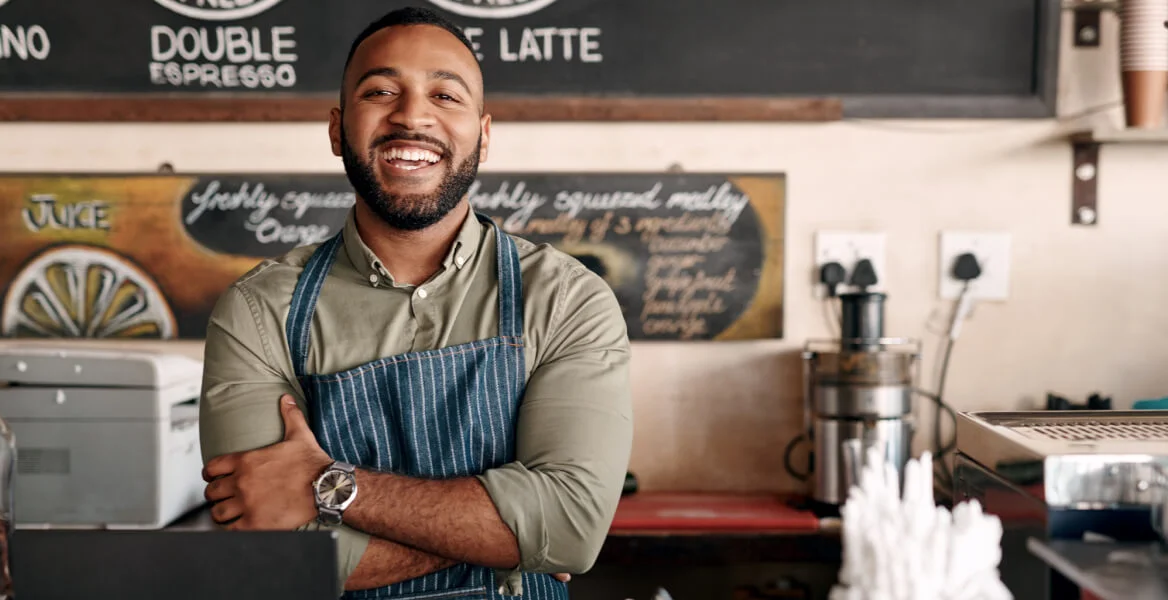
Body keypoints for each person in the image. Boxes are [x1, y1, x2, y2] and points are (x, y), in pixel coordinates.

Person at [197, 6, 634, 599]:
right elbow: (272, 560)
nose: (412, 115)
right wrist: (512, 544)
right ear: (336, 129)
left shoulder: (566, 299)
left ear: (482, 135)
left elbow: (571, 529)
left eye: (445, 96)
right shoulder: (258, 311)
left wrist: (331, 485)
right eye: (380, 91)